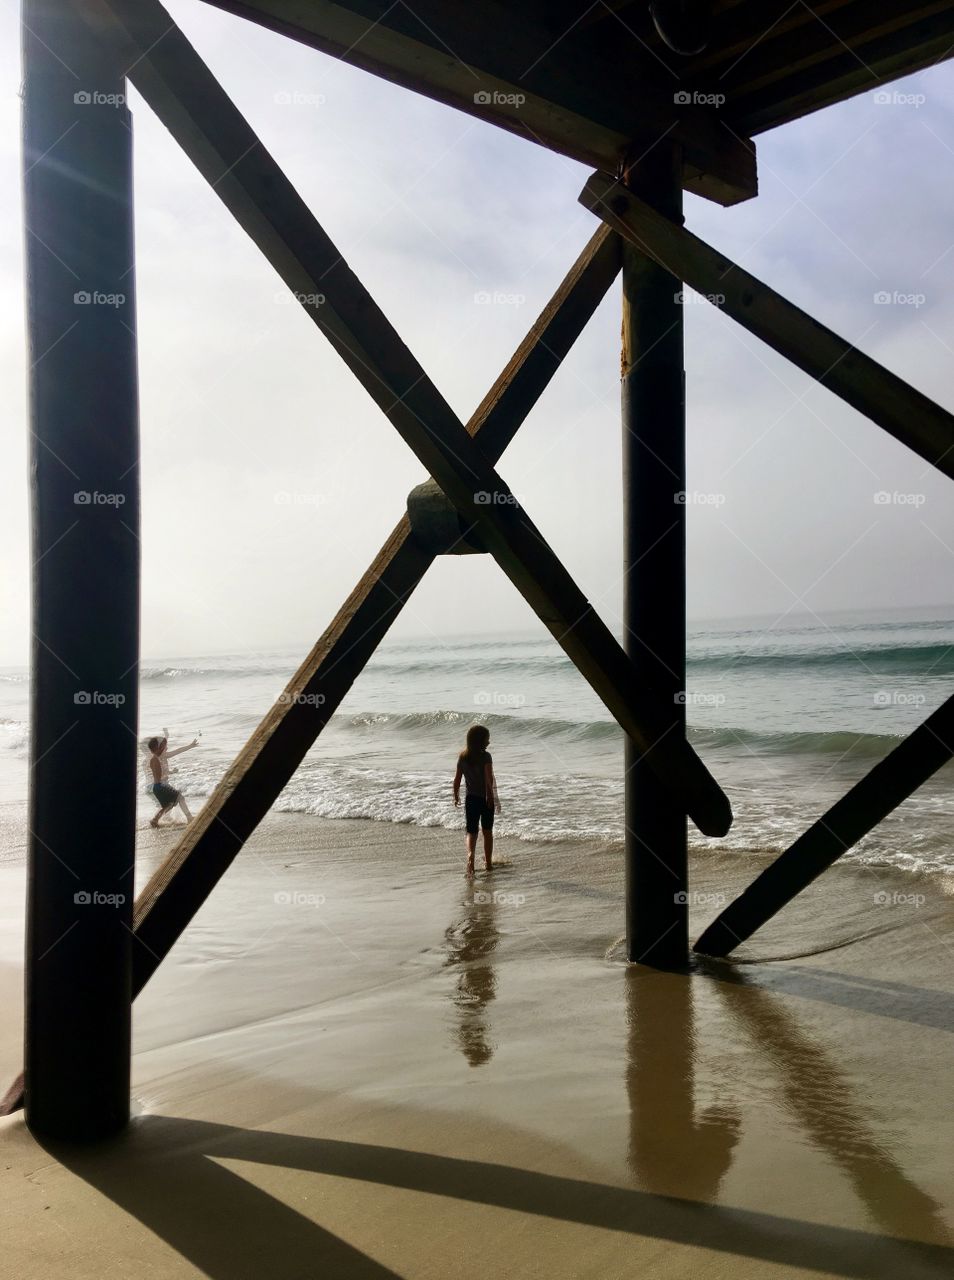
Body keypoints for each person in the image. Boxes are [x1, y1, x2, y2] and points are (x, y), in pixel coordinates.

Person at [453, 724, 501, 877]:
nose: (489, 742)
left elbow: (457, 780)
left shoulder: (463, 756)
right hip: (485, 799)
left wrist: (456, 795)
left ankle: (470, 859)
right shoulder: (486, 756)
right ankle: (488, 863)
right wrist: (491, 797)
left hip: (470, 799)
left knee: (471, 832)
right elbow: (489, 779)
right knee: (487, 832)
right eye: (487, 739)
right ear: (480, 741)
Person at [145, 730, 198, 827]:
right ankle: (189, 818)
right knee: (180, 798)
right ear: (159, 748)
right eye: (164, 746)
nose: (167, 747)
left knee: (168, 805)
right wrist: (168, 774)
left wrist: (190, 746)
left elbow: (178, 751)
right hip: (161, 786)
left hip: (158, 787)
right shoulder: (157, 759)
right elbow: (160, 776)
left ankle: (154, 820)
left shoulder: (156, 758)